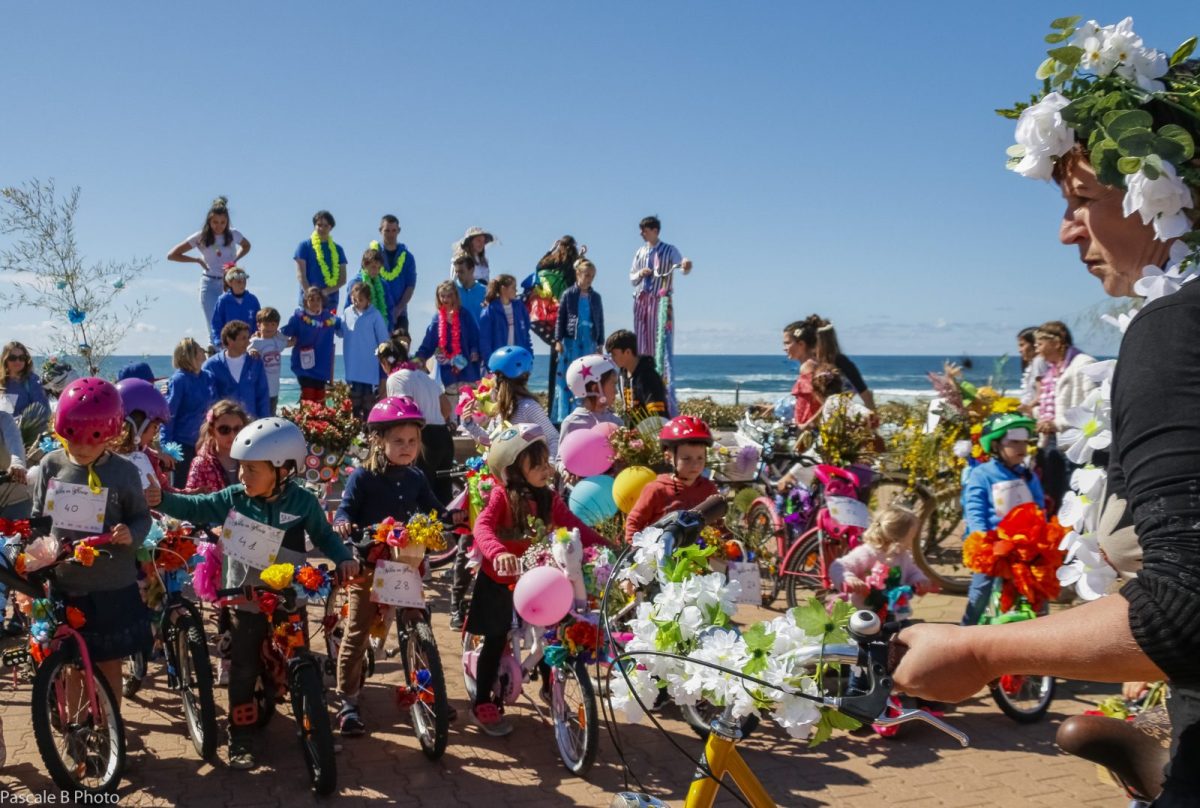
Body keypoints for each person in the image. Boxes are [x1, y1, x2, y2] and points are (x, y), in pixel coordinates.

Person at [893, 24, 1200, 802]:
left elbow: (1186, 607)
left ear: (1161, 189)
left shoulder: (1176, 333)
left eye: (1081, 201)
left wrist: (979, 653)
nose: (1067, 230)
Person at [154, 418, 358, 769]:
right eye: (241, 468)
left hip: (287, 596)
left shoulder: (303, 502)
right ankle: (241, 736)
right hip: (244, 599)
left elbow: (325, 536)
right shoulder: (235, 498)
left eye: (251, 469)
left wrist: (344, 558)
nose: (243, 476)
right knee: (245, 667)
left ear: (283, 469)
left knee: (300, 661)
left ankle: (313, 726)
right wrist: (163, 500)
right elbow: (198, 508)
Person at [468, 423, 608, 735]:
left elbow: (574, 525)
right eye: (538, 465)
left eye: (548, 463)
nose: (547, 470)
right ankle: (481, 700)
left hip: (540, 577)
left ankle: (548, 685)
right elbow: (483, 528)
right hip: (501, 578)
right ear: (514, 472)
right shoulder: (500, 498)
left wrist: (605, 546)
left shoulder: (551, 499)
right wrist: (497, 552)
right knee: (496, 636)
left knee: (552, 631)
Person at [331, 397, 458, 735]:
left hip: (405, 564)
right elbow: (346, 509)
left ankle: (431, 692)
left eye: (412, 441)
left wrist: (452, 517)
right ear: (378, 441)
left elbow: (434, 509)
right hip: (369, 564)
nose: (406, 447)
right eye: (398, 441)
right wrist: (343, 523)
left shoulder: (416, 476)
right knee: (357, 631)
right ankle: (348, 702)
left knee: (419, 626)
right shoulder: (363, 477)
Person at [31, 377, 152, 711]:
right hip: (66, 583)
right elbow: (37, 518)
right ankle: (79, 729)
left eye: (91, 442)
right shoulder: (50, 465)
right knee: (70, 664)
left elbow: (142, 517)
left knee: (108, 664)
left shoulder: (124, 472)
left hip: (111, 585)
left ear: (110, 436)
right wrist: (38, 552)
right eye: (73, 440)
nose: (81, 449)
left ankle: (112, 733)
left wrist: (131, 533)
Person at [956, 413, 1046, 626]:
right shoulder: (982, 474)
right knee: (981, 589)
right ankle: (965, 630)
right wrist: (983, 536)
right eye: (1013, 442)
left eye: (1024, 442)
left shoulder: (1027, 475)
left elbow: (1038, 506)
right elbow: (974, 509)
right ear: (995, 445)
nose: (1021, 447)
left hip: (1022, 545)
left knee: (1037, 587)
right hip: (992, 545)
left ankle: (1040, 626)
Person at [166, 196, 252, 348]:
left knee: (232, 324)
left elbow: (247, 246)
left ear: (227, 222)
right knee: (214, 325)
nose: (219, 226)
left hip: (229, 283)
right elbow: (172, 255)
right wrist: (197, 260)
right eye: (215, 222)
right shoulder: (201, 237)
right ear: (209, 221)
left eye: (222, 223)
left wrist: (235, 260)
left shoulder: (233, 234)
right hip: (209, 283)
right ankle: (216, 358)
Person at [629, 215, 692, 415]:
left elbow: (682, 265)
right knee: (642, 345)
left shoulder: (669, 250)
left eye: (645, 230)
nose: (642, 233)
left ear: (655, 230)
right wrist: (640, 274)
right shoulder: (640, 252)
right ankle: (642, 389)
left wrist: (686, 264)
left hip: (661, 300)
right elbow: (631, 277)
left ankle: (665, 396)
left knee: (662, 345)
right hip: (642, 301)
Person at [1032, 320, 1096, 514]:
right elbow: (1053, 405)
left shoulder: (1083, 364)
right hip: (1055, 439)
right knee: (1054, 491)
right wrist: (1035, 414)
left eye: (1040, 344)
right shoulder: (1053, 370)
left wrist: (1056, 424)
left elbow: (1092, 406)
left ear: (1057, 342)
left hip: (1074, 442)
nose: (1037, 350)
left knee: (1071, 491)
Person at [624, 416, 720, 542]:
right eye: (686, 459)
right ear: (669, 457)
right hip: (663, 557)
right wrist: (638, 551)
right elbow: (634, 523)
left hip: (698, 557)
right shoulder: (657, 490)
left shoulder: (708, 489)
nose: (695, 464)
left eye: (700, 458)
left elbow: (717, 524)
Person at [385, 337, 455, 505]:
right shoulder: (425, 377)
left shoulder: (396, 378)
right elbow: (446, 409)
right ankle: (449, 529)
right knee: (444, 494)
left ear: (386, 361)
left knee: (420, 495)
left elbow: (405, 412)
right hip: (443, 436)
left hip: (422, 436)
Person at [831, 505, 931, 611]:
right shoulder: (867, 553)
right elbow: (838, 566)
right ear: (898, 539)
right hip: (865, 615)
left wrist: (920, 580)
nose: (913, 542)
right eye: (911, 537)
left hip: (895, 614)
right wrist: (849, 578)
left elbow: (912, 571)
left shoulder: (902, 555)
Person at [784, 315, 876, 414]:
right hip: (834, 416)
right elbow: (865, 394)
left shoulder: (820, 362)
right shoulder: (824, 362)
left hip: (829, 417)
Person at [552, 257, 605, 425]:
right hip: (571, 341)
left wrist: (600, 342)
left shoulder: (595, 297)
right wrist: (558, 340)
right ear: (578, 274)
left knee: (587, 376)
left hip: (588, 340)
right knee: (568, 375)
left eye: (592, 276)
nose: (589, 279)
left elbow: (600, 320)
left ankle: (585, 410)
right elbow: (561, 318)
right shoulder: (569, 294)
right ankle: (563, 414)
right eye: (586, 275)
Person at [162, 337, 215, 489]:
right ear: (189, 354)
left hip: (205, 441)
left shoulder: (208, 377)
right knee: (182, 486)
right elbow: (168, 416)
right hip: (183, 444)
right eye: (198, 348)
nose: (203, 350)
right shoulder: (179, 380)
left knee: (204, 485)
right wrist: (167, 447)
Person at [413, 281, 482, 395]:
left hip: (468, 370)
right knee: (453, 408)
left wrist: (475, 351)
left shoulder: (465, 315)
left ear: (455, 296)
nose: (445, 299)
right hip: (449, 375)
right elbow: (428, 343)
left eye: (449, 296)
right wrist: (420, 358)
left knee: (470, 408)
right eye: (442, 296)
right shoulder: (437, 319)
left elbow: (475, 337)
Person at [338, 281, 391, 420]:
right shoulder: (347, 312)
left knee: (368, 400)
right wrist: (331, 323)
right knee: (354, 399)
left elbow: (383, 340)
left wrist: (385, 362)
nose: (356, 303)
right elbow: (341, 332)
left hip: (369, 367)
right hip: (353, 365)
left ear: (368, 299)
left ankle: (368, 428)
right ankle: (356, 426)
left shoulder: (375, 315)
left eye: (360, 300)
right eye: (354, 299)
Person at [282, 286, 341, 403]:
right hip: (304, 367)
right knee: (308, 399)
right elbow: (283, 333)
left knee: (320, 401)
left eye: (318, 299)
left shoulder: (329, 318)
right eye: (311, 299)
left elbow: (346, 328)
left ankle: (320, 422)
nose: (315, 302)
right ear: (305, 301)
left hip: (322, 367)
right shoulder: (298, 318)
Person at [203, 321, 270, 420]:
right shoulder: (211, 366)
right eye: (243, 338)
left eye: (248, 338)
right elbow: (206, 399)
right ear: (230, 340)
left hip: (251, 424)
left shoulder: (255, 362)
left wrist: (264, 421)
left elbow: (263, 395)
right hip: (224, 426)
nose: (248, 342)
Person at [184, 400, 250, 494]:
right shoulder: (201, 464)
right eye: (224, 430)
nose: (232, 435)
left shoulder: (253, 459)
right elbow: (192, 501)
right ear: (212, 431)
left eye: (237, 429)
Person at [558, 354, 622, 445]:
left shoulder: (616, 421)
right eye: (613, 384)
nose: (616, 391)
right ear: (595, 388)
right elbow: (563, 457)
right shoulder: (572, 423)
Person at [369, 215, 418, 331]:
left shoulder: (407, 257)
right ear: (380, 230)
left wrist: (398, 309)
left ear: (399, 231)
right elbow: (365, 279)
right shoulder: (372, 255)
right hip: (377, 313)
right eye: (387, 230)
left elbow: (410, 286)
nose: (390, 234)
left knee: (401, 346)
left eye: (394, 230)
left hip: (400, 315)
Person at [604, 329, 668, 417]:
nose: (612, 358)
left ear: (627, 352)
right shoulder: (622, 375)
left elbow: (657, 414)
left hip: (650, 428)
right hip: (630, 429)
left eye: (614, 354)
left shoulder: (648, 376)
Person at [294, 210, 347, 309]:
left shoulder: (338, 249)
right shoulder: (304, 246)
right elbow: (301, 276)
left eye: (326, 225)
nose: (322, 228)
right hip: (307, 302)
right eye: (319, 225)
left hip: (330, 303)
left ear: (331, 227)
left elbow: (342, 279)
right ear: (314, 226)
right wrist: (312, 296)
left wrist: (325, 292)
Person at [478, 274, 533, 363]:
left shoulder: (520, 308)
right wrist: (491, 363)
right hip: (499, 362)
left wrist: (530, 357)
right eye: (513, 287)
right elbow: (485, 341)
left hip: (518, 360)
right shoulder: (489, 311)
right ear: (503, 289)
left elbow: (526, 336)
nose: (516, 290)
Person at [209, 265, 261, 350]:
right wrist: (219, 341)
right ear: (230, 283)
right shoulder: (223, 300)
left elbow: (259, 322)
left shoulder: (253, 300)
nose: (242, 284)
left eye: (244, 281)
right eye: (238, 282)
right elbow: (216, 323)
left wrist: (257, 336)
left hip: (249, 345)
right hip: (230, 344)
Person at [249, 308, 290, 416]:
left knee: (271, 416)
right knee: (258, 417)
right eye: (266, 324)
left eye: (273, 324)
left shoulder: (277, 342)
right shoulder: (255, 341)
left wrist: (279, 333)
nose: (269, 327)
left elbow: (290, 342)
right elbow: (246, 350)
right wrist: (252, 351)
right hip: (260, 389)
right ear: (259, 325)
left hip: (274, 390)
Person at [0, 340, 49, 426]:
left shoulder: (32, 381)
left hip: (27, 434)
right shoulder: (2, 382)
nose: (17, 361)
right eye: (13, 358)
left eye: (21, 358)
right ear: (5, 360)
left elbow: (43, 411)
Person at [344, 248, 390, 323]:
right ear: (364, 264)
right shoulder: (355, 282)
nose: (376, 271)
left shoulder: (383, 284)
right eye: (373, 267)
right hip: (361, 325)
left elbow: (389, 308)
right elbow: (348, 307)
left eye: (379, 268)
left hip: (380, 326)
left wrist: (389, 328)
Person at [1016, 326, 1046, 412]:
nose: (1019, 350)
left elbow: (1042, 394)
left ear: (1034, 344)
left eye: (1022, 345)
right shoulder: (1033, 364)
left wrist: (1027, 408)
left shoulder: (1039, 361)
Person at [453, 252, 486, 327]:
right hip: (458, 337)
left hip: (479, 337)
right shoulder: (452, 291)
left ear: (471, 270)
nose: (458, 275)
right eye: (456, 272)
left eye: (461, 272)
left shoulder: (485, 291)